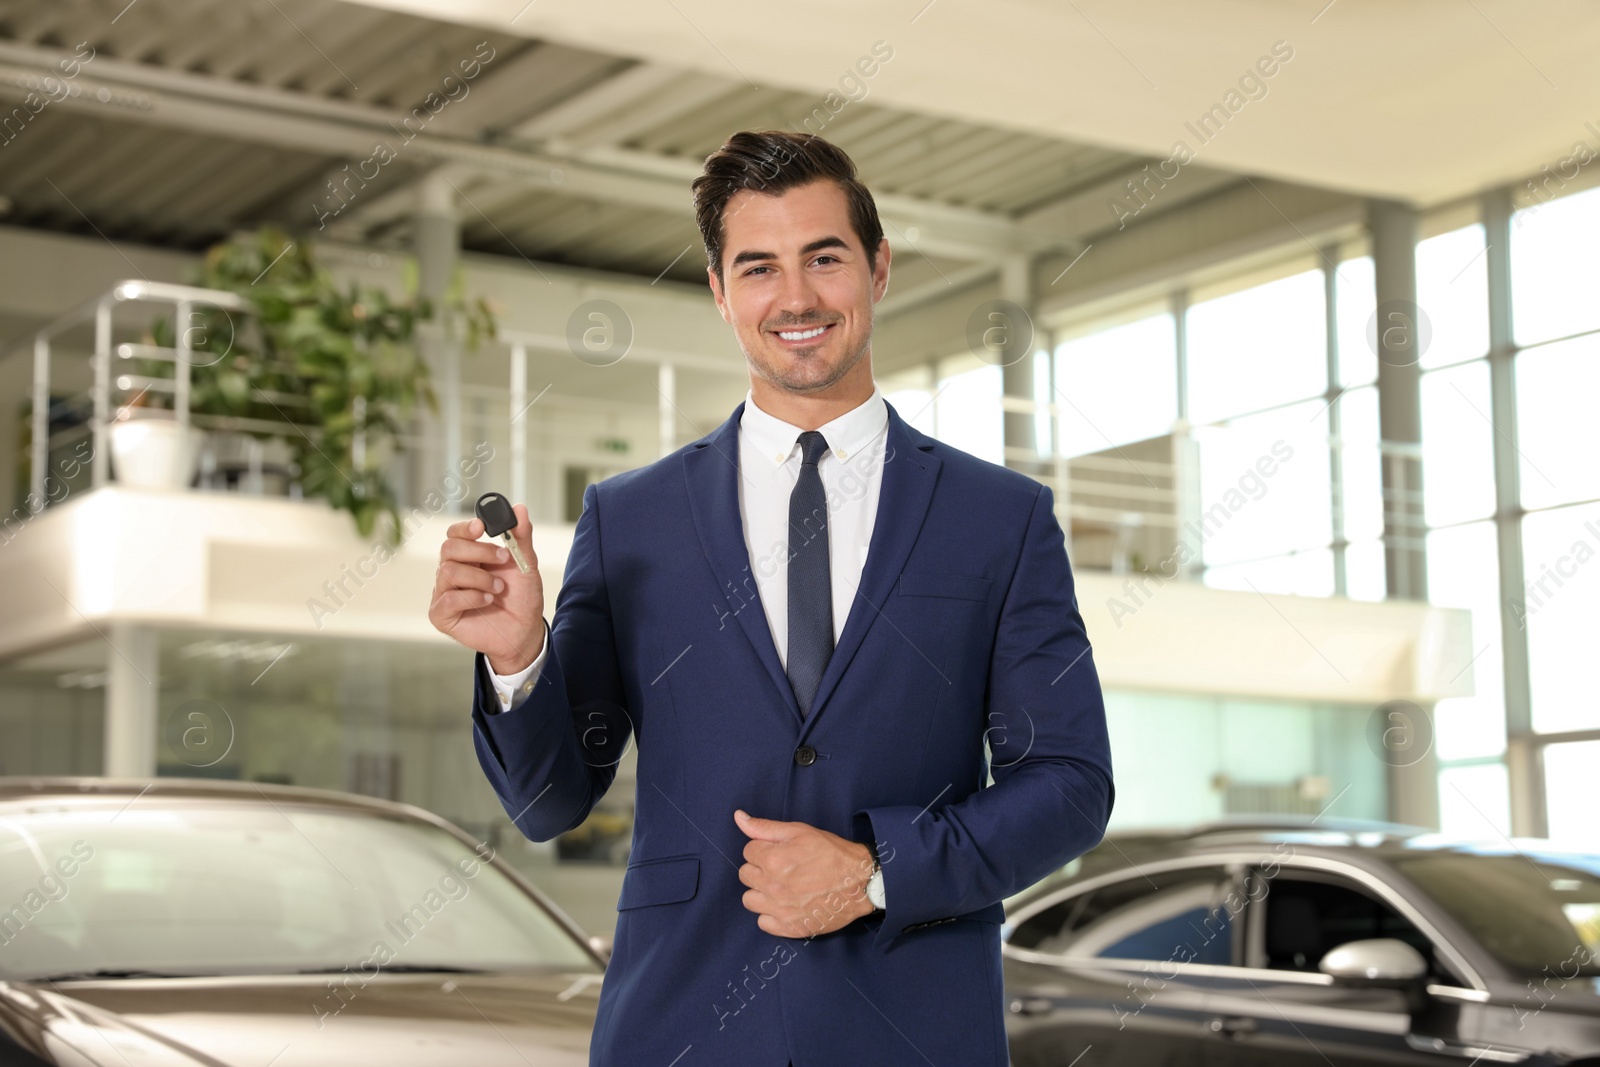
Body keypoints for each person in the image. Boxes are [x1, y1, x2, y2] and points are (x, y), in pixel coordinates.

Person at [429, 129, 1114, 1067]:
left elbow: (1070, 787)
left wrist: (876, 872)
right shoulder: (633, 518)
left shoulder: (1000, 519)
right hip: (681, 1029)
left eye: (823, 258)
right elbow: (551, 800)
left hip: (913, 1031)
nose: (795, 297)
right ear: (720, 291)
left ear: (878, 268)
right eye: (758, 268)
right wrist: (518, 657)